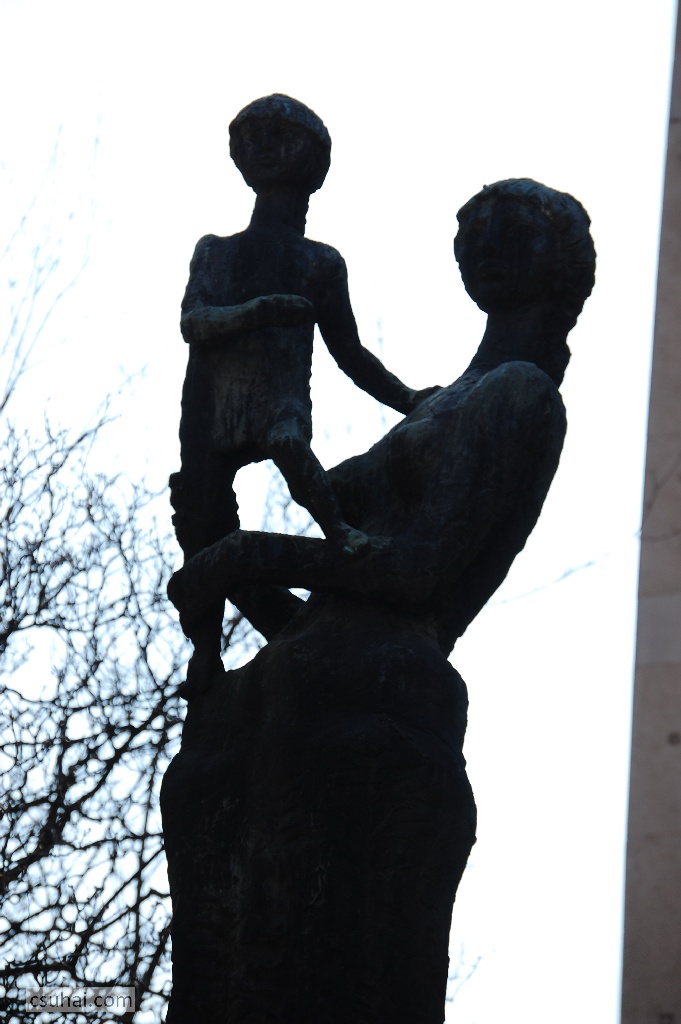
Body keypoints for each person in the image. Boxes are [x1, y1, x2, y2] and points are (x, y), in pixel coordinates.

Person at [163, 179, 596, 1023]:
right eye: (474, 229)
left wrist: (244, 554)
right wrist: (219, 544)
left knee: (316, 970)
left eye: (516, 228)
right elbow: (312, 619)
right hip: (277, 694)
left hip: (375, 704)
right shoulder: (435, 405)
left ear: (563, 265)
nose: (487, 242)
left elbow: (414, 578)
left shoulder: (522, 397)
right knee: (218, 976)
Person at [171, 93, 432, 682]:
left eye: (280, 137)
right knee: (202, 521)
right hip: (212, 404)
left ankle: (340, 534)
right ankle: (205, 655)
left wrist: (409, 399)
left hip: (278, 395)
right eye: (254, 138)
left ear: (312, 163)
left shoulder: (321, 263)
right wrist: (259, 311)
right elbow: (194, 322)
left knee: (289, 442)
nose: (265, 148)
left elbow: (351, 355)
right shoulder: (216, 251)